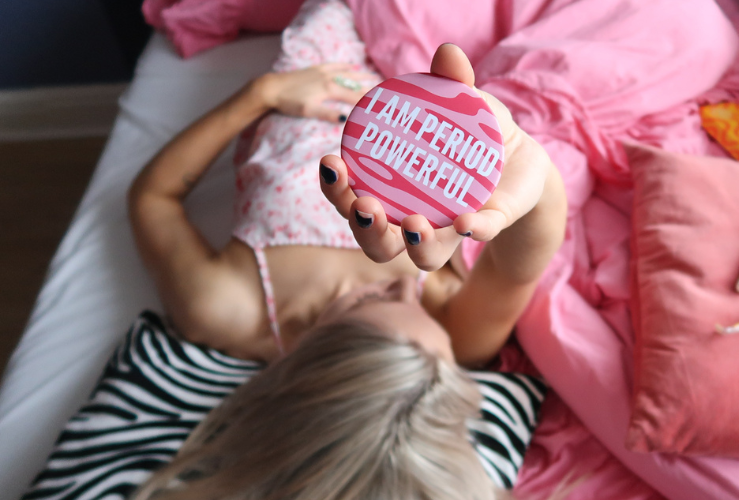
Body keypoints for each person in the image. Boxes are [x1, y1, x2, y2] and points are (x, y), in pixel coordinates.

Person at [20, 0, 566, 495]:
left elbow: (154, 199)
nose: (402, 282)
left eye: (372, 303)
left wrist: (260, 96)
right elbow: (519, 267)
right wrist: (530, 170)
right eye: (412, 300)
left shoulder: (227, 307)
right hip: (455, 122)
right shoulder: (458, 335)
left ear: (302, 366)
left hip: (321, 76)